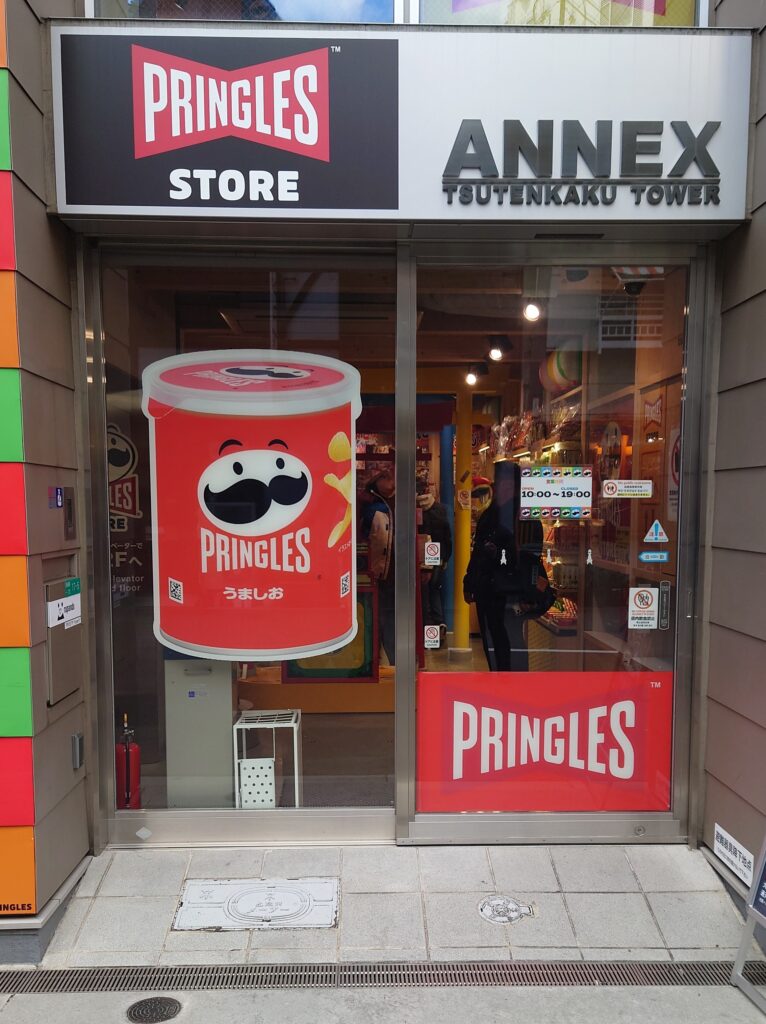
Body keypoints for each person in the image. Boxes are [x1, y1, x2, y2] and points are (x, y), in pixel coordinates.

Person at [463, 460, 553, 671]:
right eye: (497, 482)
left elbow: (532, 558)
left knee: (509, 644)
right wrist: (469, 581)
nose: (498, 486)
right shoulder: (491, 514)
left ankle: (513, 685)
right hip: (489, 591)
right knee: (494, 644)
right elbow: (479, 552)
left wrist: (529, 594)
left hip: (511, 594)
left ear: (513, 485)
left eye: (503, 482)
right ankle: (500, 682)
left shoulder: (523, 517)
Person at [362, 470, 396, 667]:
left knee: (382, 618)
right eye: (386, 477)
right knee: (383, 618)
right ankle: (384, 661)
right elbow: (380, 539)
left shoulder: (384, 504)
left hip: (383, 572)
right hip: (382, 573)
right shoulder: (376, 507)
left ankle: (380, 661)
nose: (391, 482)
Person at [417, 477, 453, 643]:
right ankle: (438, 628)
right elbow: (447, 537)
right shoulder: (440, 509)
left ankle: (429, 636)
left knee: (424, 598)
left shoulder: (413, 508)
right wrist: (445, 557)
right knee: (434, 592)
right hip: (436, 557)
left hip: (421, 559)